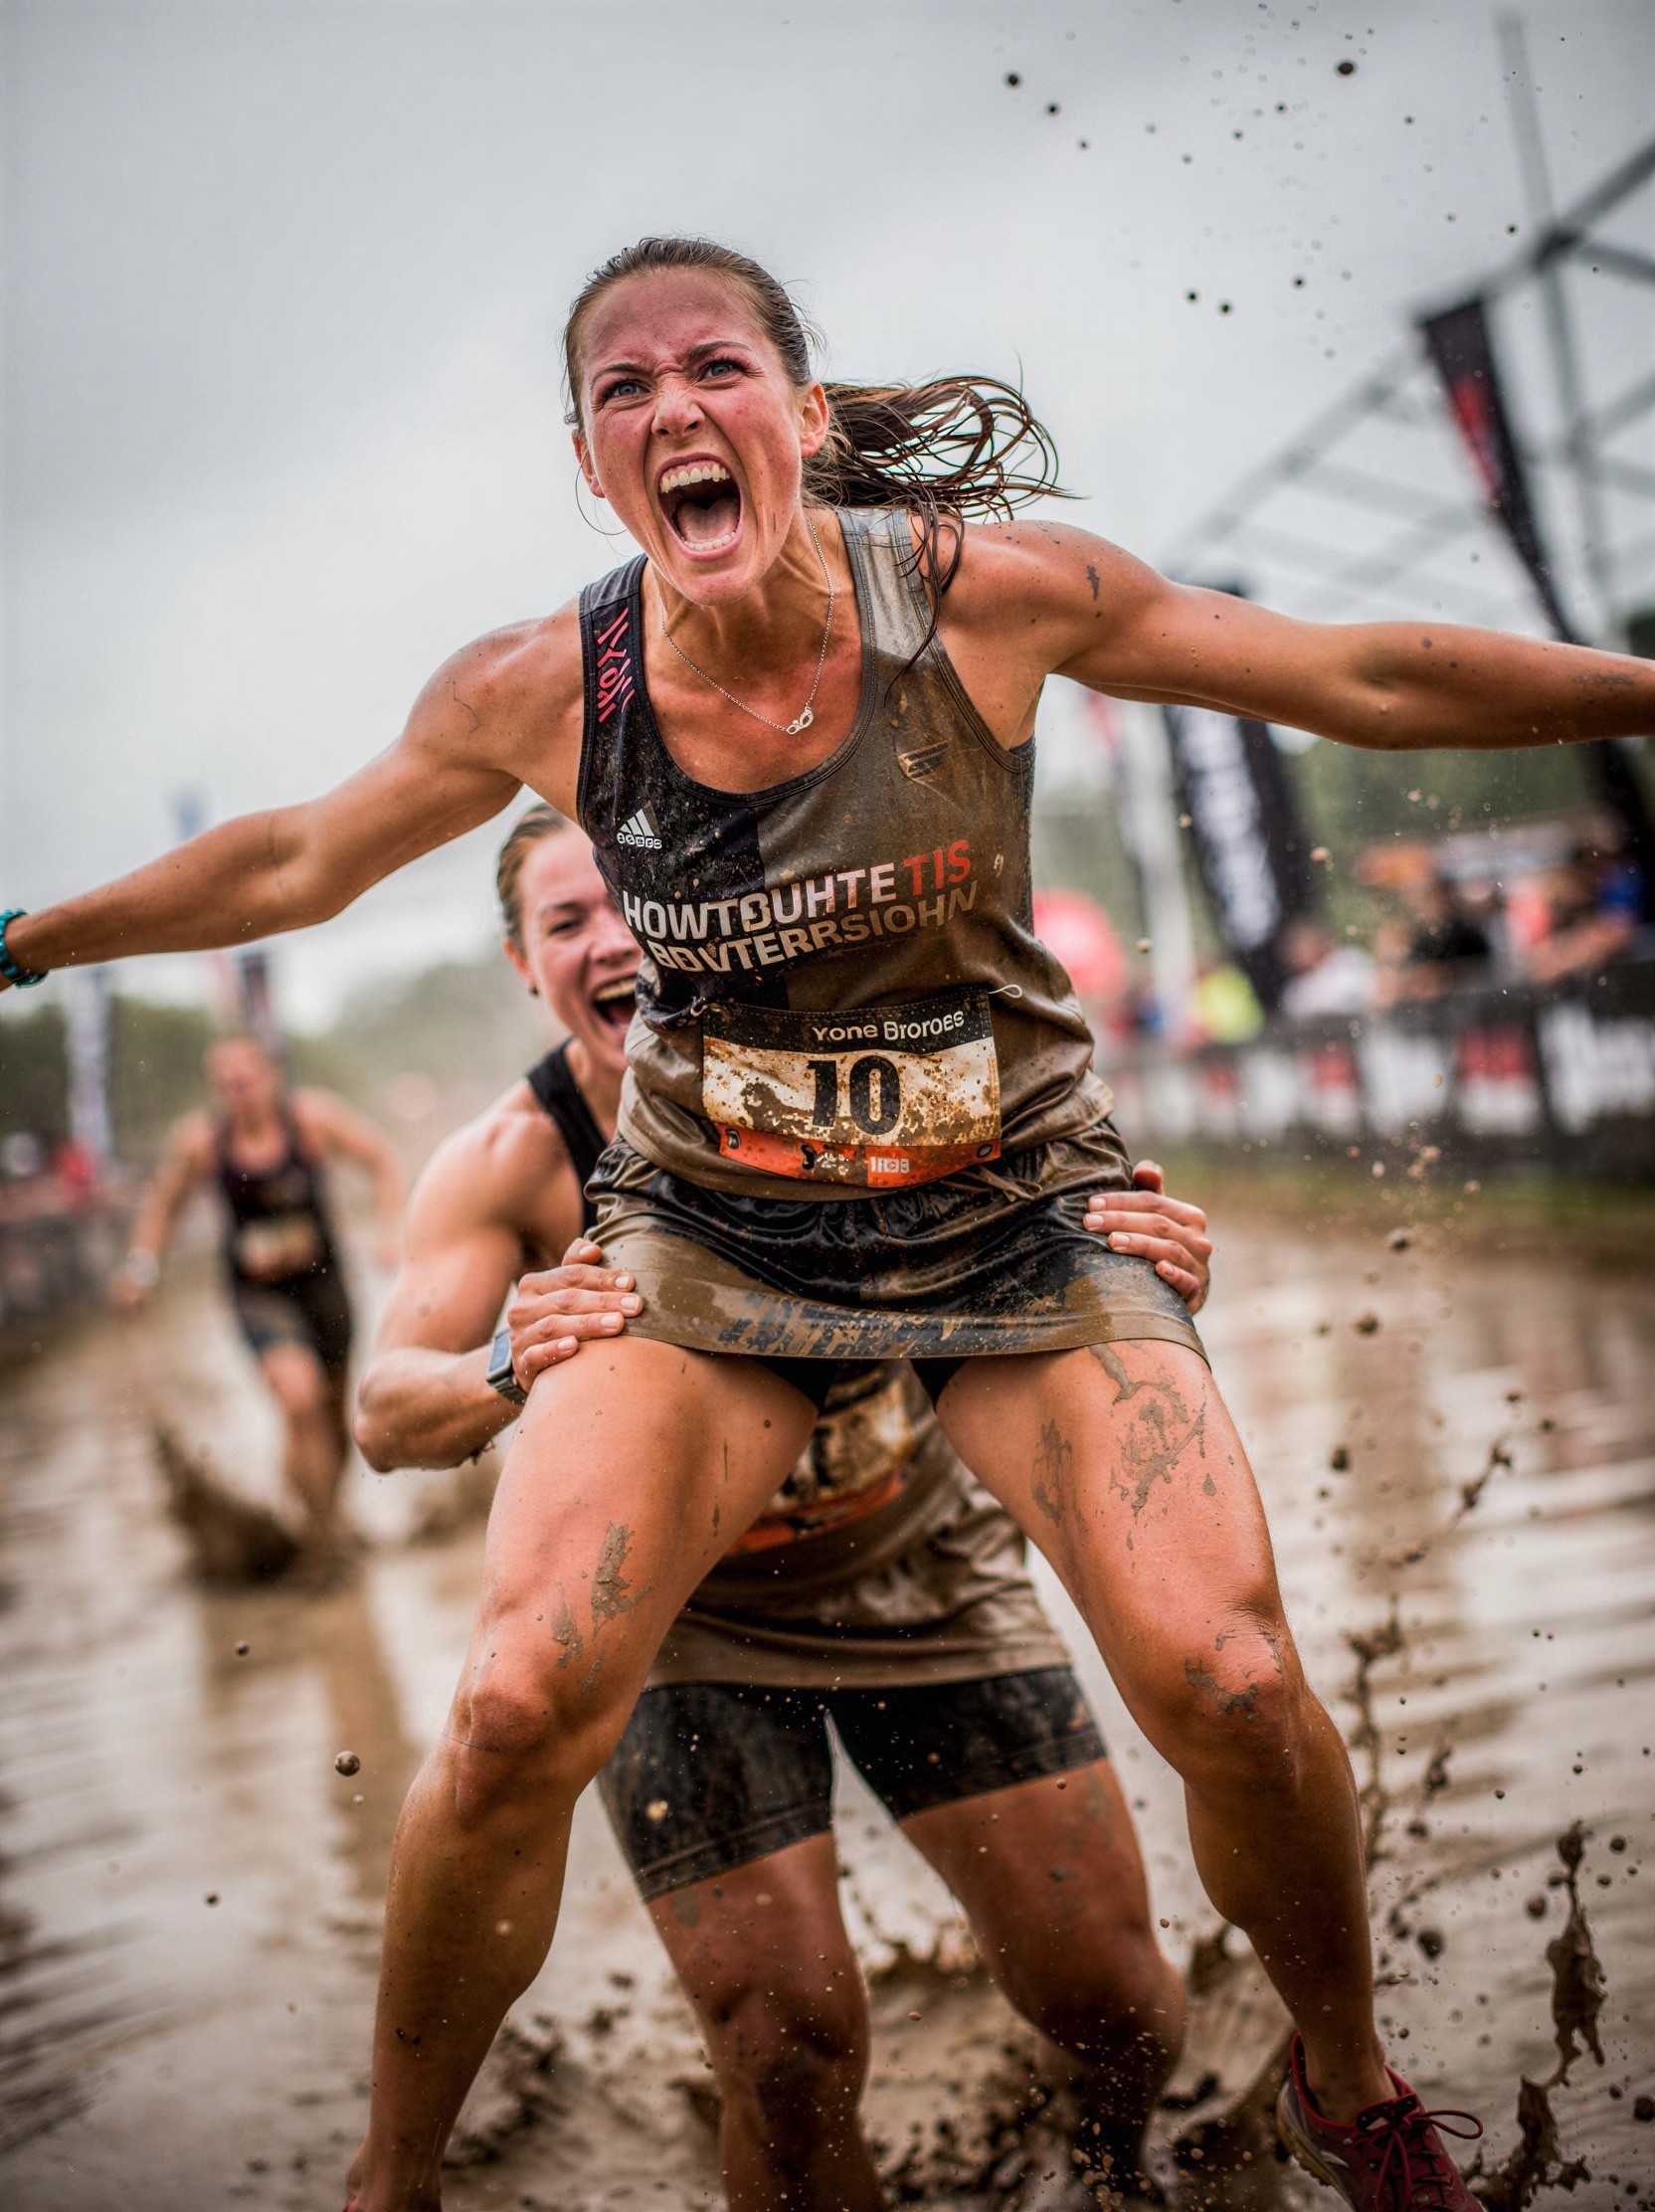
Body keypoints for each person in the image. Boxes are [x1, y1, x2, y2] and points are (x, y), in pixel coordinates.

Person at [7, 236, 1653, 2212]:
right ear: (590, 463)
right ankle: (389, 2180)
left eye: (717, 366)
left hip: (1016, 1211)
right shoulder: (547, 695)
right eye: (623, 387)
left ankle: (1348, 2073)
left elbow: (1363, 674)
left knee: (1218, 1675)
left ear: (799, 417)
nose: (671, 405)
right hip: (724, 1251)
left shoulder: (983, 605)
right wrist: (27, 938)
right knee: (521, 1693)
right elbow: (291, 856)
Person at [354, 803, 1217, 2205]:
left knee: (1118, 2007)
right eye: (565, 921)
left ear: (712, 916)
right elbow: (384, 1415)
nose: (614, 941)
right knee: (784, 2050)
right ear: (525, 963)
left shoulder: (853, 1063)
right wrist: (505, 1357)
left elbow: (1057, 1220)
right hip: (680, 1627)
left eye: (635, 900)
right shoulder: (515, 1161)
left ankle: (1111, 2172)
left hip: (921, 1563)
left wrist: (1140, 1252)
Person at [113, 1034, 404, 1561]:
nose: (237, 1092)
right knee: (298, 1396)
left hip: (323, 1284)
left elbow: (381, 1159)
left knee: (335, 1417)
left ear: (270, 1077)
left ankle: (326, 1515)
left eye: (245, 1079)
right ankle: (322, 1540)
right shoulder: (202, 1142)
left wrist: (390, 1231)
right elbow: (164, 1203)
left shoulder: (312, 1120)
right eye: (225, 1083)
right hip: (257, 1295)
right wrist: (141, 1268)